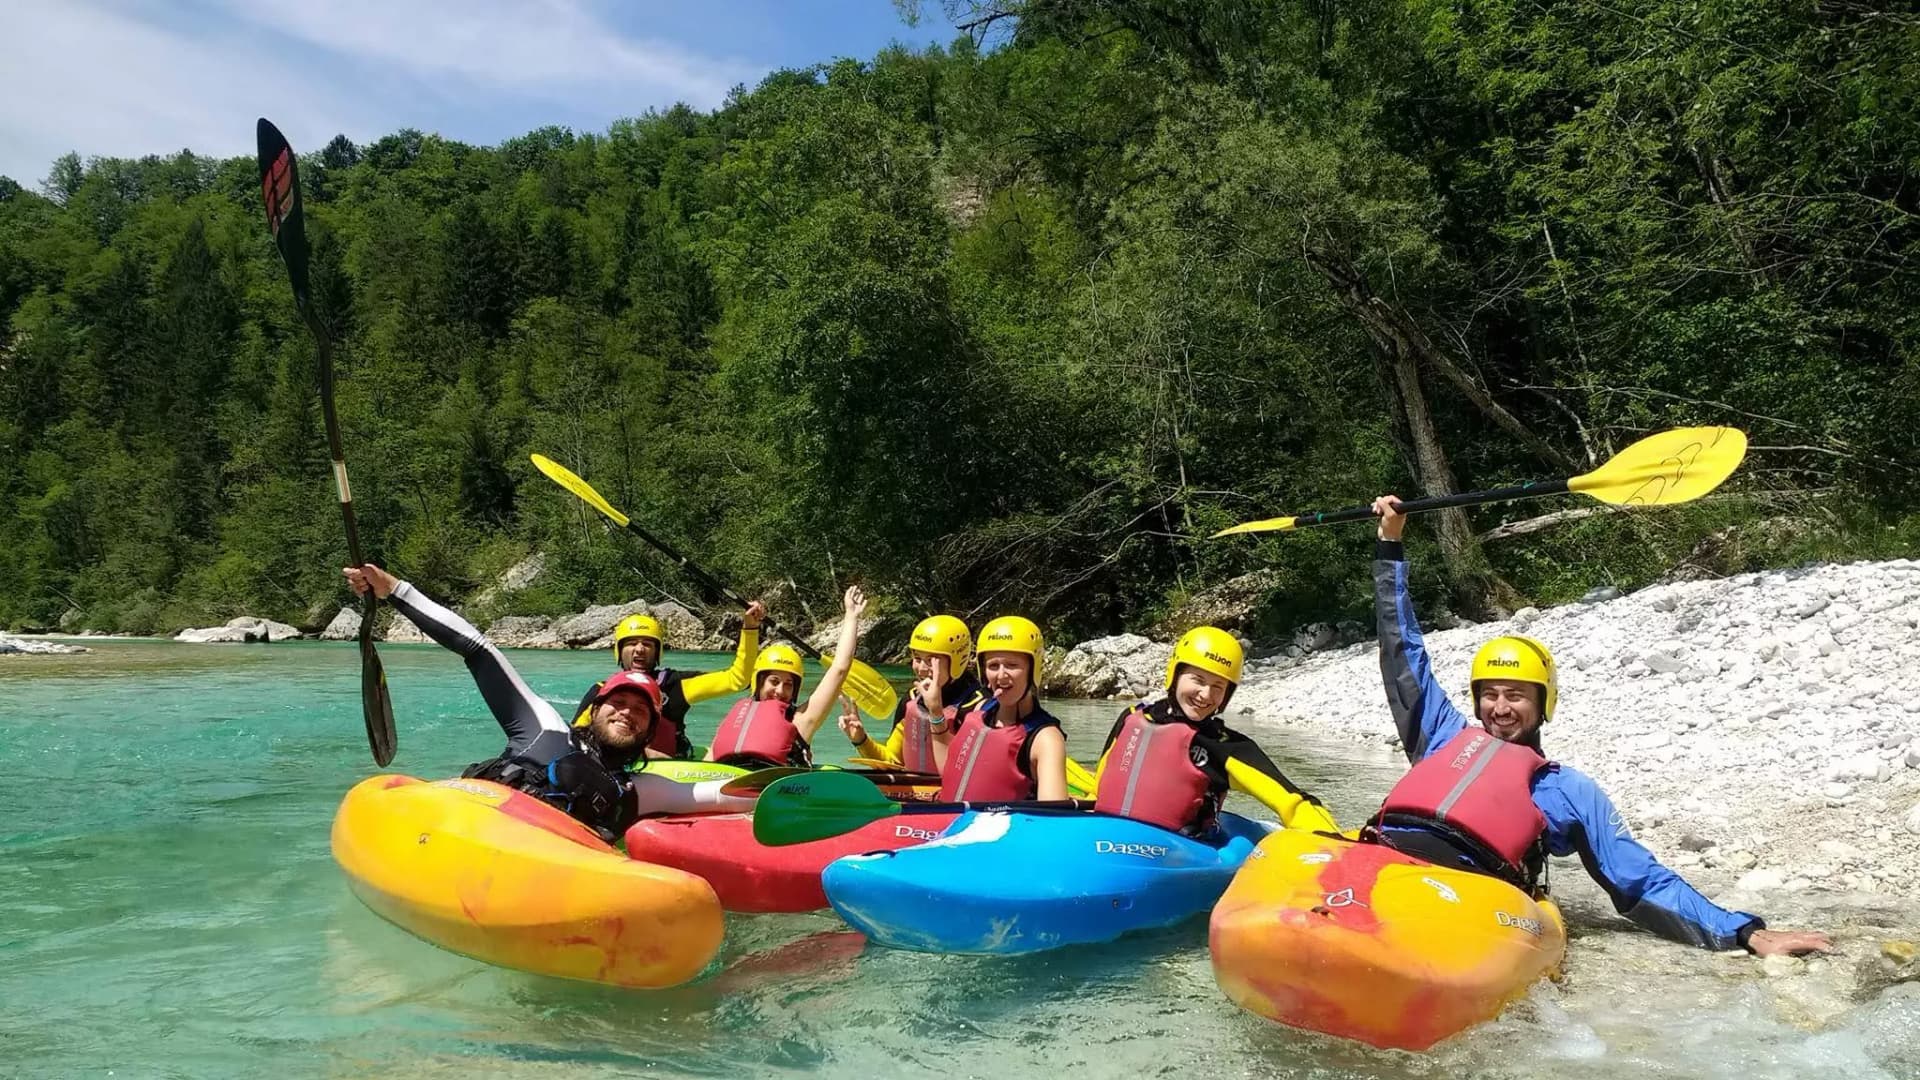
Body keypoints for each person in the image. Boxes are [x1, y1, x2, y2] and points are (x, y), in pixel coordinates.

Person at [1363, 495, 1829, 958]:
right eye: (1490, 694)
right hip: (1386, 860)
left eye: (1516, 695)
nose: (1500, 708)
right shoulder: (1442, 736)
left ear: (1544, 703)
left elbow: (1637, 877)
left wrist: (1745, 933)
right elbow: (1402, 650)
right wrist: (1390, 545)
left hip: (1470, 894)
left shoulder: (1568, 791)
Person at [343, 565, 751, 841]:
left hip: (541, 865)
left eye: (641, 711)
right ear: (597, 707)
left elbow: (718, 794)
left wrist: (802, 797)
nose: (628, 711)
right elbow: (479, 651)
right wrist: (395, 589)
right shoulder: (543, 728)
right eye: (619, 702)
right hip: (467, 830)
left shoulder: (639, 788)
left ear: (648, 732)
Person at [1092, 626, 1338, 836]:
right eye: (1197, 680)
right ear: (1175, 675)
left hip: (1182, 853)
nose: (1206, 695)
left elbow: (1291, 801)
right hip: (1104, 835)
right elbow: (1100, 782)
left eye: (1218, 687)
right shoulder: (1132, 717)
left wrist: (1333, 841)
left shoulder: (1225, 746)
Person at [570, 602, 766, 759]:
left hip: (670, 767)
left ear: (657, 652)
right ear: (619, 651)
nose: (639, 649)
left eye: (647, 644)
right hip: (621, 761)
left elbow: (737, 679)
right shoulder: (601, 691)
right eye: (631, 643)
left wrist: (750, 629)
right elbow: (576, 735)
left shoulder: (676, 684)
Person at [705, 586, 870, 769]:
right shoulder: (738, 718)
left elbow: (839, 669)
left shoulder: (801, 720)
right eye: (774, 681)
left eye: (789, 684)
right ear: (759, 682)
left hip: (777, 786)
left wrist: (851, 617)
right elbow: (706, 764)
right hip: (724, 784)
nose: (780, 691)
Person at [938, 616, 1069, 802]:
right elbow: (947, 772)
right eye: (993, 666)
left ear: (1032, 669)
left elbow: (1054, 819)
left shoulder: (1046, 739)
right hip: (953, 826)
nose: (1001, 675)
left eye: (1012, 665)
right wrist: (935, 710)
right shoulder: (978, 713)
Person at [839, 615, 985, 773]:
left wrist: (936, 714)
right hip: (914, 795)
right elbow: (892, 761)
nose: (921, 668)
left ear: (957, 661)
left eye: (931, 660)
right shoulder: (911, 701)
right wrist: (860, 739)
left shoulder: (980, 707)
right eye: (917, 658)